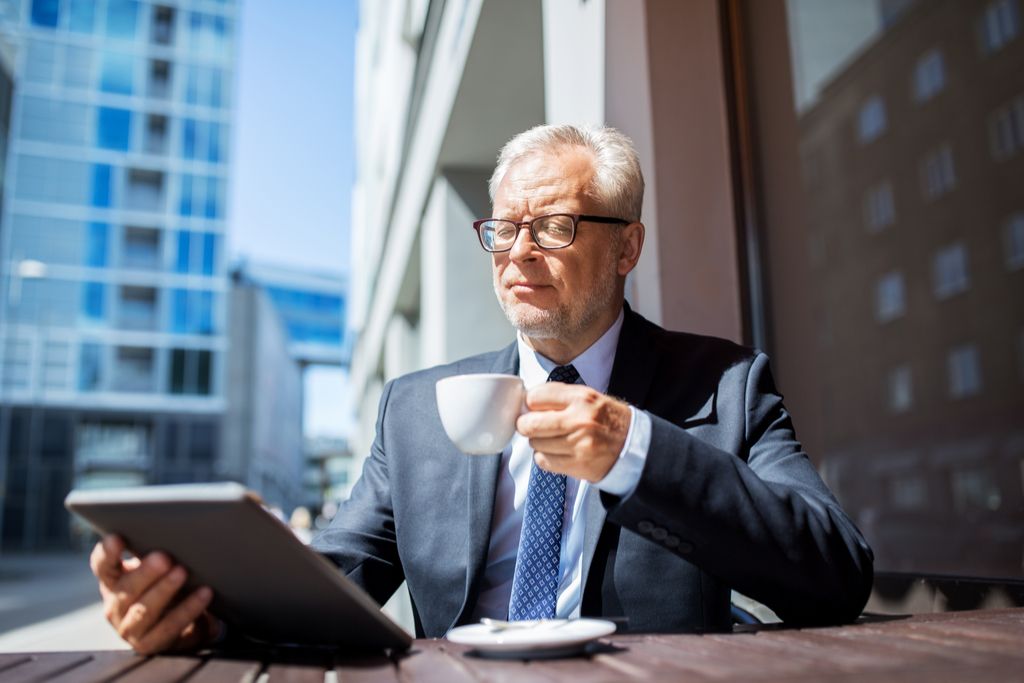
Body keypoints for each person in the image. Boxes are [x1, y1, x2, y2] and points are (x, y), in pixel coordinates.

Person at [90, 124, 873, 653]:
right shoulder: (416, 409)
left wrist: (634, 447)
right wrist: (198, 610)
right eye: (504, 229)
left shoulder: (726, 387)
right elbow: (338, 582)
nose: (518, 253)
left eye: (555, 227)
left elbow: (834, 573)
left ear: (627, 245)